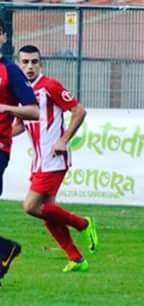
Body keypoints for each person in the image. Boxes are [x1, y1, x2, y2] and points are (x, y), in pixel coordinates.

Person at [13, 44, 98, 273]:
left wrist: (63, 140)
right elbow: (20, 126)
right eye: (25, 62)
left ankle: (83, 223)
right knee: (48, 211)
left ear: (41, 63)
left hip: (54, 159)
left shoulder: (49, 86)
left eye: (34, 62)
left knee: (31, 206)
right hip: (39, 160)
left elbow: (79, 111)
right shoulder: (22, 92)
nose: (30, 66)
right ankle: (77, 259)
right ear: (18, 63)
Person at [0, 21, 39, 285]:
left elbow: (34, 110)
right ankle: (4, 252)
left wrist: (4, 107)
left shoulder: (10, 71)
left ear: (2, 37)